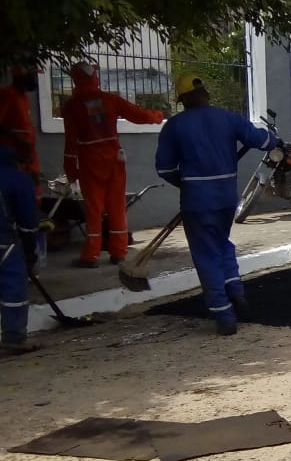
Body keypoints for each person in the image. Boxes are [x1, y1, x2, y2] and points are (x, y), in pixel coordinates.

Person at [155, 74, 276, 336]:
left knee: (206, 253)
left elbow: (164, 168)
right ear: (205, 93)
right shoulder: (228, 118)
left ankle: (224, 314)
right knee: (222, 244)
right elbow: (262, 141)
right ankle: (236, 292)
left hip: (196, 201)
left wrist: (187, 184)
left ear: (183, 100)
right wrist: (272, 137)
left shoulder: (175, 126)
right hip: (225, 199)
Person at [61, 61, 165, 268]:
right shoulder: (110, 100)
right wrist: (158, 116)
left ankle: (91, 256)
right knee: (117, 205)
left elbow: (71, 143)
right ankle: (118, 252)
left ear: (75, 79)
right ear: (93, 78)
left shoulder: (72, 106)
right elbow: (138, 114)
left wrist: (70, 170)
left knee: (94, 208)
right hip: (114, 159)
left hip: (90, 162)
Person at [0, 143, 41, 354]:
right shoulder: (16, 178)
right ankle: (14, 338)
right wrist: (30, 252)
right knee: (13, 287)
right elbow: (28, 223)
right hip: (4, 242)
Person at [0, 64, 42, 196]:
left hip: (26, 151)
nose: (34, 81)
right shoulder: (8, 94)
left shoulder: (23, 97)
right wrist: (20, 140)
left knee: (33, 187)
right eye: (31, 77)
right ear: (20, 78)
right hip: (13, 152)